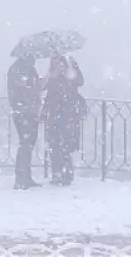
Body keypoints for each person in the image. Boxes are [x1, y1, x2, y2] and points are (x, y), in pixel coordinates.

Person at [43, 55, 85, 186]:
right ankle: (57, 174)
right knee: (55, 146)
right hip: (56, 116)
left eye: (60, 64)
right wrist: (44, 111)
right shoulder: (53, 79)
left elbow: (80, 81)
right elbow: (49, 96)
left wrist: (74, 65)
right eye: (55, 64)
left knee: (65, 146)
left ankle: (66, 174)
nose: (58, 67)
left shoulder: (70, 77)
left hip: (67, 116)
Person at [7, 54, 42, 190]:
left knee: (28, 143)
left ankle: (25, 176)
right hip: (24, 111)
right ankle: (21, 178)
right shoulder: (18, 69)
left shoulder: (27, 69)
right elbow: (24, 89)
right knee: (26, 143)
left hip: (28, 110)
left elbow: (35, 86)